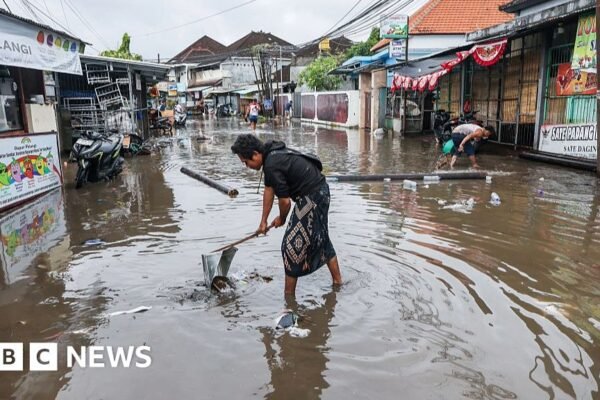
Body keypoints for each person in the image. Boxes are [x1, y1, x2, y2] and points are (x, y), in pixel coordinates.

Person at [231, 134, 342, 296]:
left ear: (255, 154)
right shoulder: (270, 154)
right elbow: (269, 190)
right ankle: (338, 282)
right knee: (321, 237)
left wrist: (281, 219)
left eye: (246, 162)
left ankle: (289, 298)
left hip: (313, 196)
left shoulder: (271, 164)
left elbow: (285, 202)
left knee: (290, 247)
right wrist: (263, 222)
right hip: (320, 191)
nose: (246, 166)